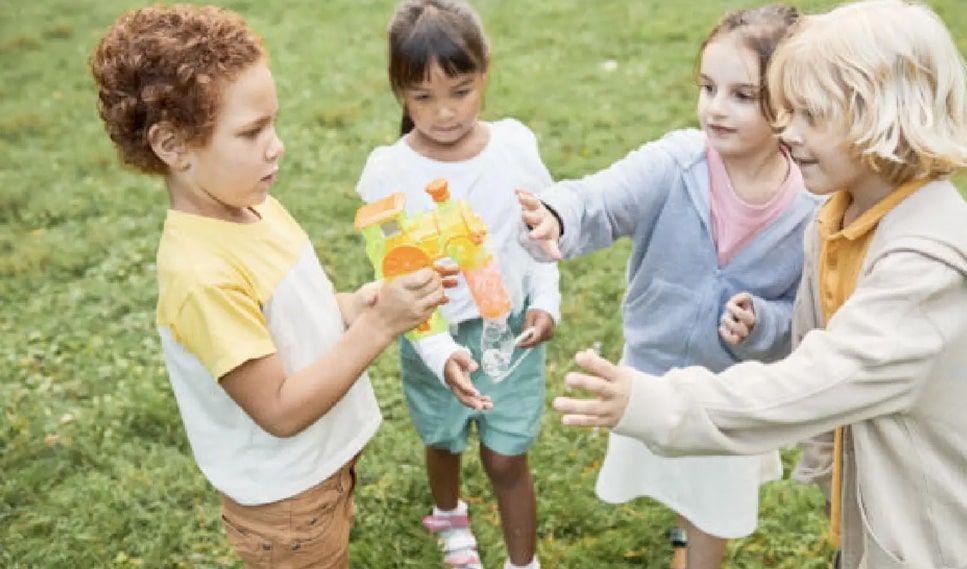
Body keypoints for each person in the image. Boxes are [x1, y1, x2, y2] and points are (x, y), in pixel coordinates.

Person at [551, 1, 967, 568]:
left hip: (941, 537)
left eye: (809, 115)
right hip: (881, 511)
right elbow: (807, 342)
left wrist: (654, 401)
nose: (785, 131)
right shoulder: (836, 218)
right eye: (784, 110)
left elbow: (810, 381)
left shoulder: (927, 276)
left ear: (886, 116)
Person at [90, 6, 453, 567]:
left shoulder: (253, 207)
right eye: (252, 131)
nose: (276, 145)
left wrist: (360, 305)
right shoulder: (201, 276)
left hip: (319, 473)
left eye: (273, 123)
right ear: (172, 146)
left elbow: (295, 315)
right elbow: (279, 410)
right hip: (286, 502)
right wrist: (381, 328)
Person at [517, 5, 814, 568]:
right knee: (678, 480)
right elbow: (601, 197)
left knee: (711, 502)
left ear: (790, 105)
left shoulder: (809, 206)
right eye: (708, 87)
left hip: (729, 393)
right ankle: (683, 537)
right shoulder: (677, 162)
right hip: (651, 369)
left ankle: (697, 556)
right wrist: (557, 214)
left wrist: (761, 325)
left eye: (742, 95)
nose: (715, 108)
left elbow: (799, 315)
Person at [354, 2, 560, 568]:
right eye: (422, 97)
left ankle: (524, 564)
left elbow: (537, 236)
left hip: (510, 334)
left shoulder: (514, 146)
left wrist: (545, 301)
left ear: (486, 70)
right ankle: (449, 516)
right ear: (398, 90)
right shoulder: (389, 173)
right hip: (433, 337)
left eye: (461, 91)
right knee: (443, 440)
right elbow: (395, 278)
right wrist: (440, 352)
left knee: (506, 457)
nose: (444, 113)